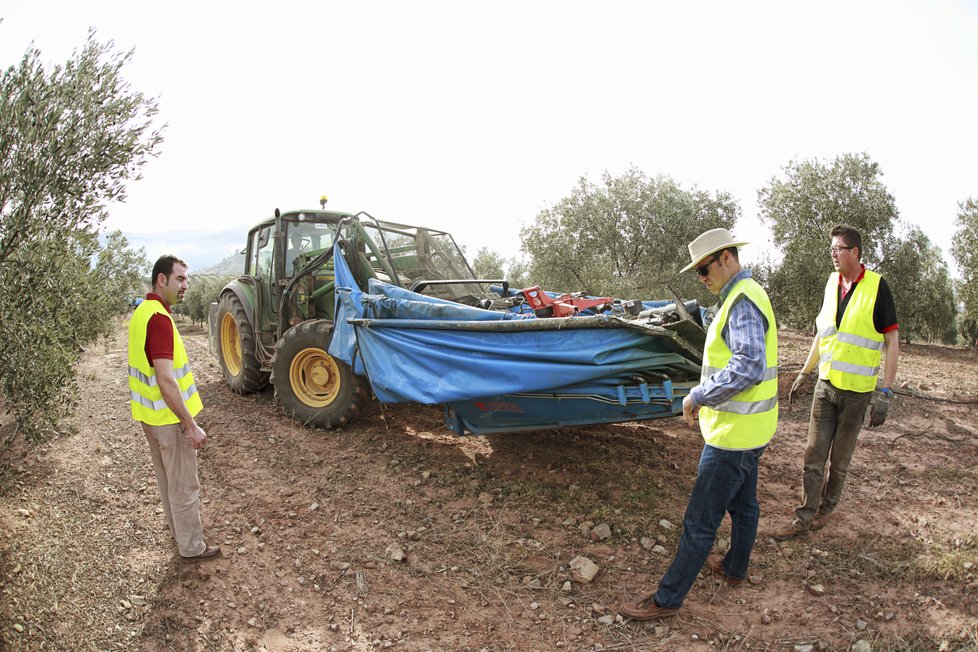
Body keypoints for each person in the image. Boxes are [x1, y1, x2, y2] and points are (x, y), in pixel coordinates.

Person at [619, 228, 778, 621]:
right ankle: (735, 568)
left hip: (732, 435)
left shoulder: (741, 302)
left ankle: (667, 599)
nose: (701, 278)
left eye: (704, 269)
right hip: (754, 430)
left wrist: (698, 395)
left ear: (726, 257)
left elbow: (749, 366)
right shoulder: (747, 294)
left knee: (699, 522)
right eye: (697, 273)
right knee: (744, 505)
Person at [773, 224, 898, 540]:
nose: (833, 254)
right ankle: (803, 518)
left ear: (854, 252)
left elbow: (892, 342)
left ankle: (826, 512)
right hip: (825, 386)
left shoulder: (878, 287)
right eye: (831, 248)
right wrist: (804, 372)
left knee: (839, 462)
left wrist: (886, 391)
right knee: (813, 456)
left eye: (838, 249)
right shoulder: (831, 283)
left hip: (857, 395)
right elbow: (823, 334)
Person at [128, 255, 221, 562]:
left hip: (150, 418)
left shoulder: (143, 311)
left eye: (186, 279)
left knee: (167, 481)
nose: (185, 286)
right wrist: (190, 424)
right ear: (161, 280)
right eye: (180, 279)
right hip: (169, 420)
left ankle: (178, 535)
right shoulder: (160, 320)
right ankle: (192, 547)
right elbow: (166, 379)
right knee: (184, 486)